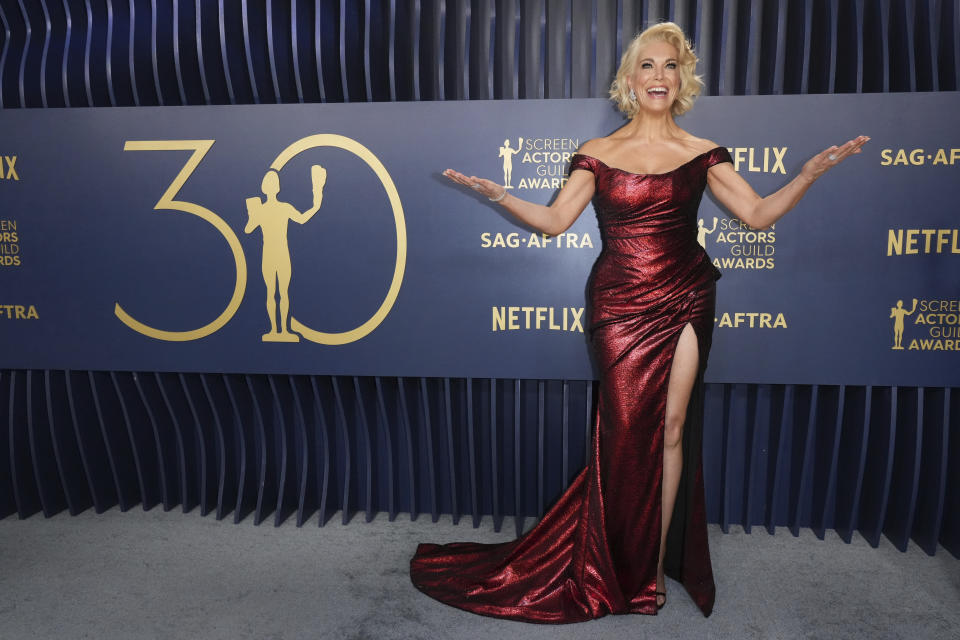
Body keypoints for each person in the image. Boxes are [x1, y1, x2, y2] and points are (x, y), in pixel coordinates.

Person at [411, 21, 868, 623]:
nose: (659, 76)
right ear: (629, 80)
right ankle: (611, 560)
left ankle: (647, 570)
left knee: (673, 426)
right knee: (625, 434)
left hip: (685, 295)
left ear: (683, 79)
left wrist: (807, 175)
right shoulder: (598, 154)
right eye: (647, 66)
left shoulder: (702, 152)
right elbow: (554, 223)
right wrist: (499, 196)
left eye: (669, 66)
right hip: (620, 306)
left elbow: (756, 216)